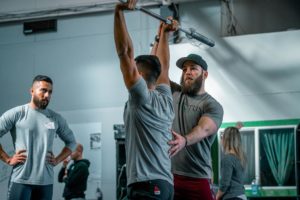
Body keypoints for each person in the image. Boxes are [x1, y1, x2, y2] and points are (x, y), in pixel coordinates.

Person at [114, 0, 177, 199]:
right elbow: (163, 66)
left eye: (134, 68)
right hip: (165, 185)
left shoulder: (141, 97)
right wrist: (163, 33)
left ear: (138, 74)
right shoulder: (165, 98)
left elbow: (124, 52)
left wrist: (119, 12)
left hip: (146, 185)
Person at [0, 75, 77, 200]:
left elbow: (71, 142)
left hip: (45, 183)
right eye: (43, 90)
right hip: (21, 181)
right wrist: (7, 159)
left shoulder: (56, 118)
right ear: (31, 91)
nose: (47, 95)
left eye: (50, 92)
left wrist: (57, 160)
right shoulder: (17, 114)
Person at [164, 53, 224, 199]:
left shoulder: (211, 105)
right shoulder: (176, 93)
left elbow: (203, 128)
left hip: (198, 178)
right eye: (184, 69)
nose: (187, 72)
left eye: (193, 68)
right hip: (170, 176)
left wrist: (184, 140)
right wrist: (161, 36)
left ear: (205, 74)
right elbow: (159, 71)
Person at [216, 127, 247, 200]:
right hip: (242, 196)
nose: (221, 140)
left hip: (232, 197)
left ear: (226, 140)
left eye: (222, 137)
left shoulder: (227, 159)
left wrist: (217, 196)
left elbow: (224, 184)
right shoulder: (241, 158)